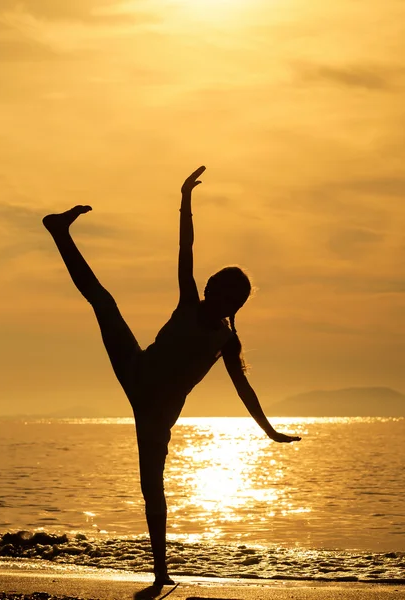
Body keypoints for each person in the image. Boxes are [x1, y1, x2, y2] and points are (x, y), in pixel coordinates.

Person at [43, 166, 301, 586]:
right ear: (211, 286)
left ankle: (161, 573)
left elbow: (245, 391)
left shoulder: (225, 341)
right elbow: (186, 246)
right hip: (136, 369)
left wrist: (269, 431)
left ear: (237, 304)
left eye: (231, 296)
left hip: (157, 412)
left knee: (152, 487)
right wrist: (185, 198)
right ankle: (59, 232)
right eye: (218, 287)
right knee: (104, 302)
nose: (220, 296)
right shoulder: (188, 300)